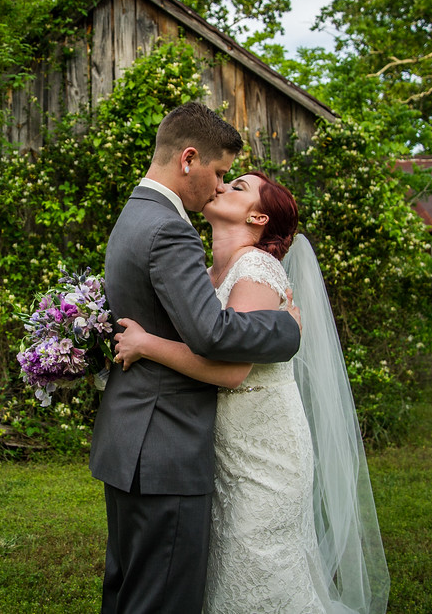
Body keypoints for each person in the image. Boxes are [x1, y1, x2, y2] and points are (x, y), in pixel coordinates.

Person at [113, 171, 390, 614]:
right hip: (222, 447)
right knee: (223, 570)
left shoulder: (257, 268)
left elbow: (232, 370)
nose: (221, 186)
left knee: (260, 569)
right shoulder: (206, 272)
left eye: (237, 187)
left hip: (266, 451)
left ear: (258, 217)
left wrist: (147, 345)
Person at [89, 103, 303, 614]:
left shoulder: (134, 214)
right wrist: (286, 329)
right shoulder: (170, 228)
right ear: (189, 159)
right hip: (165, 446)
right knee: (159, 599)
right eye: (221, 172)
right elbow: (210, 332)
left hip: (133, 441)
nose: (219, 186)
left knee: (128, 591)